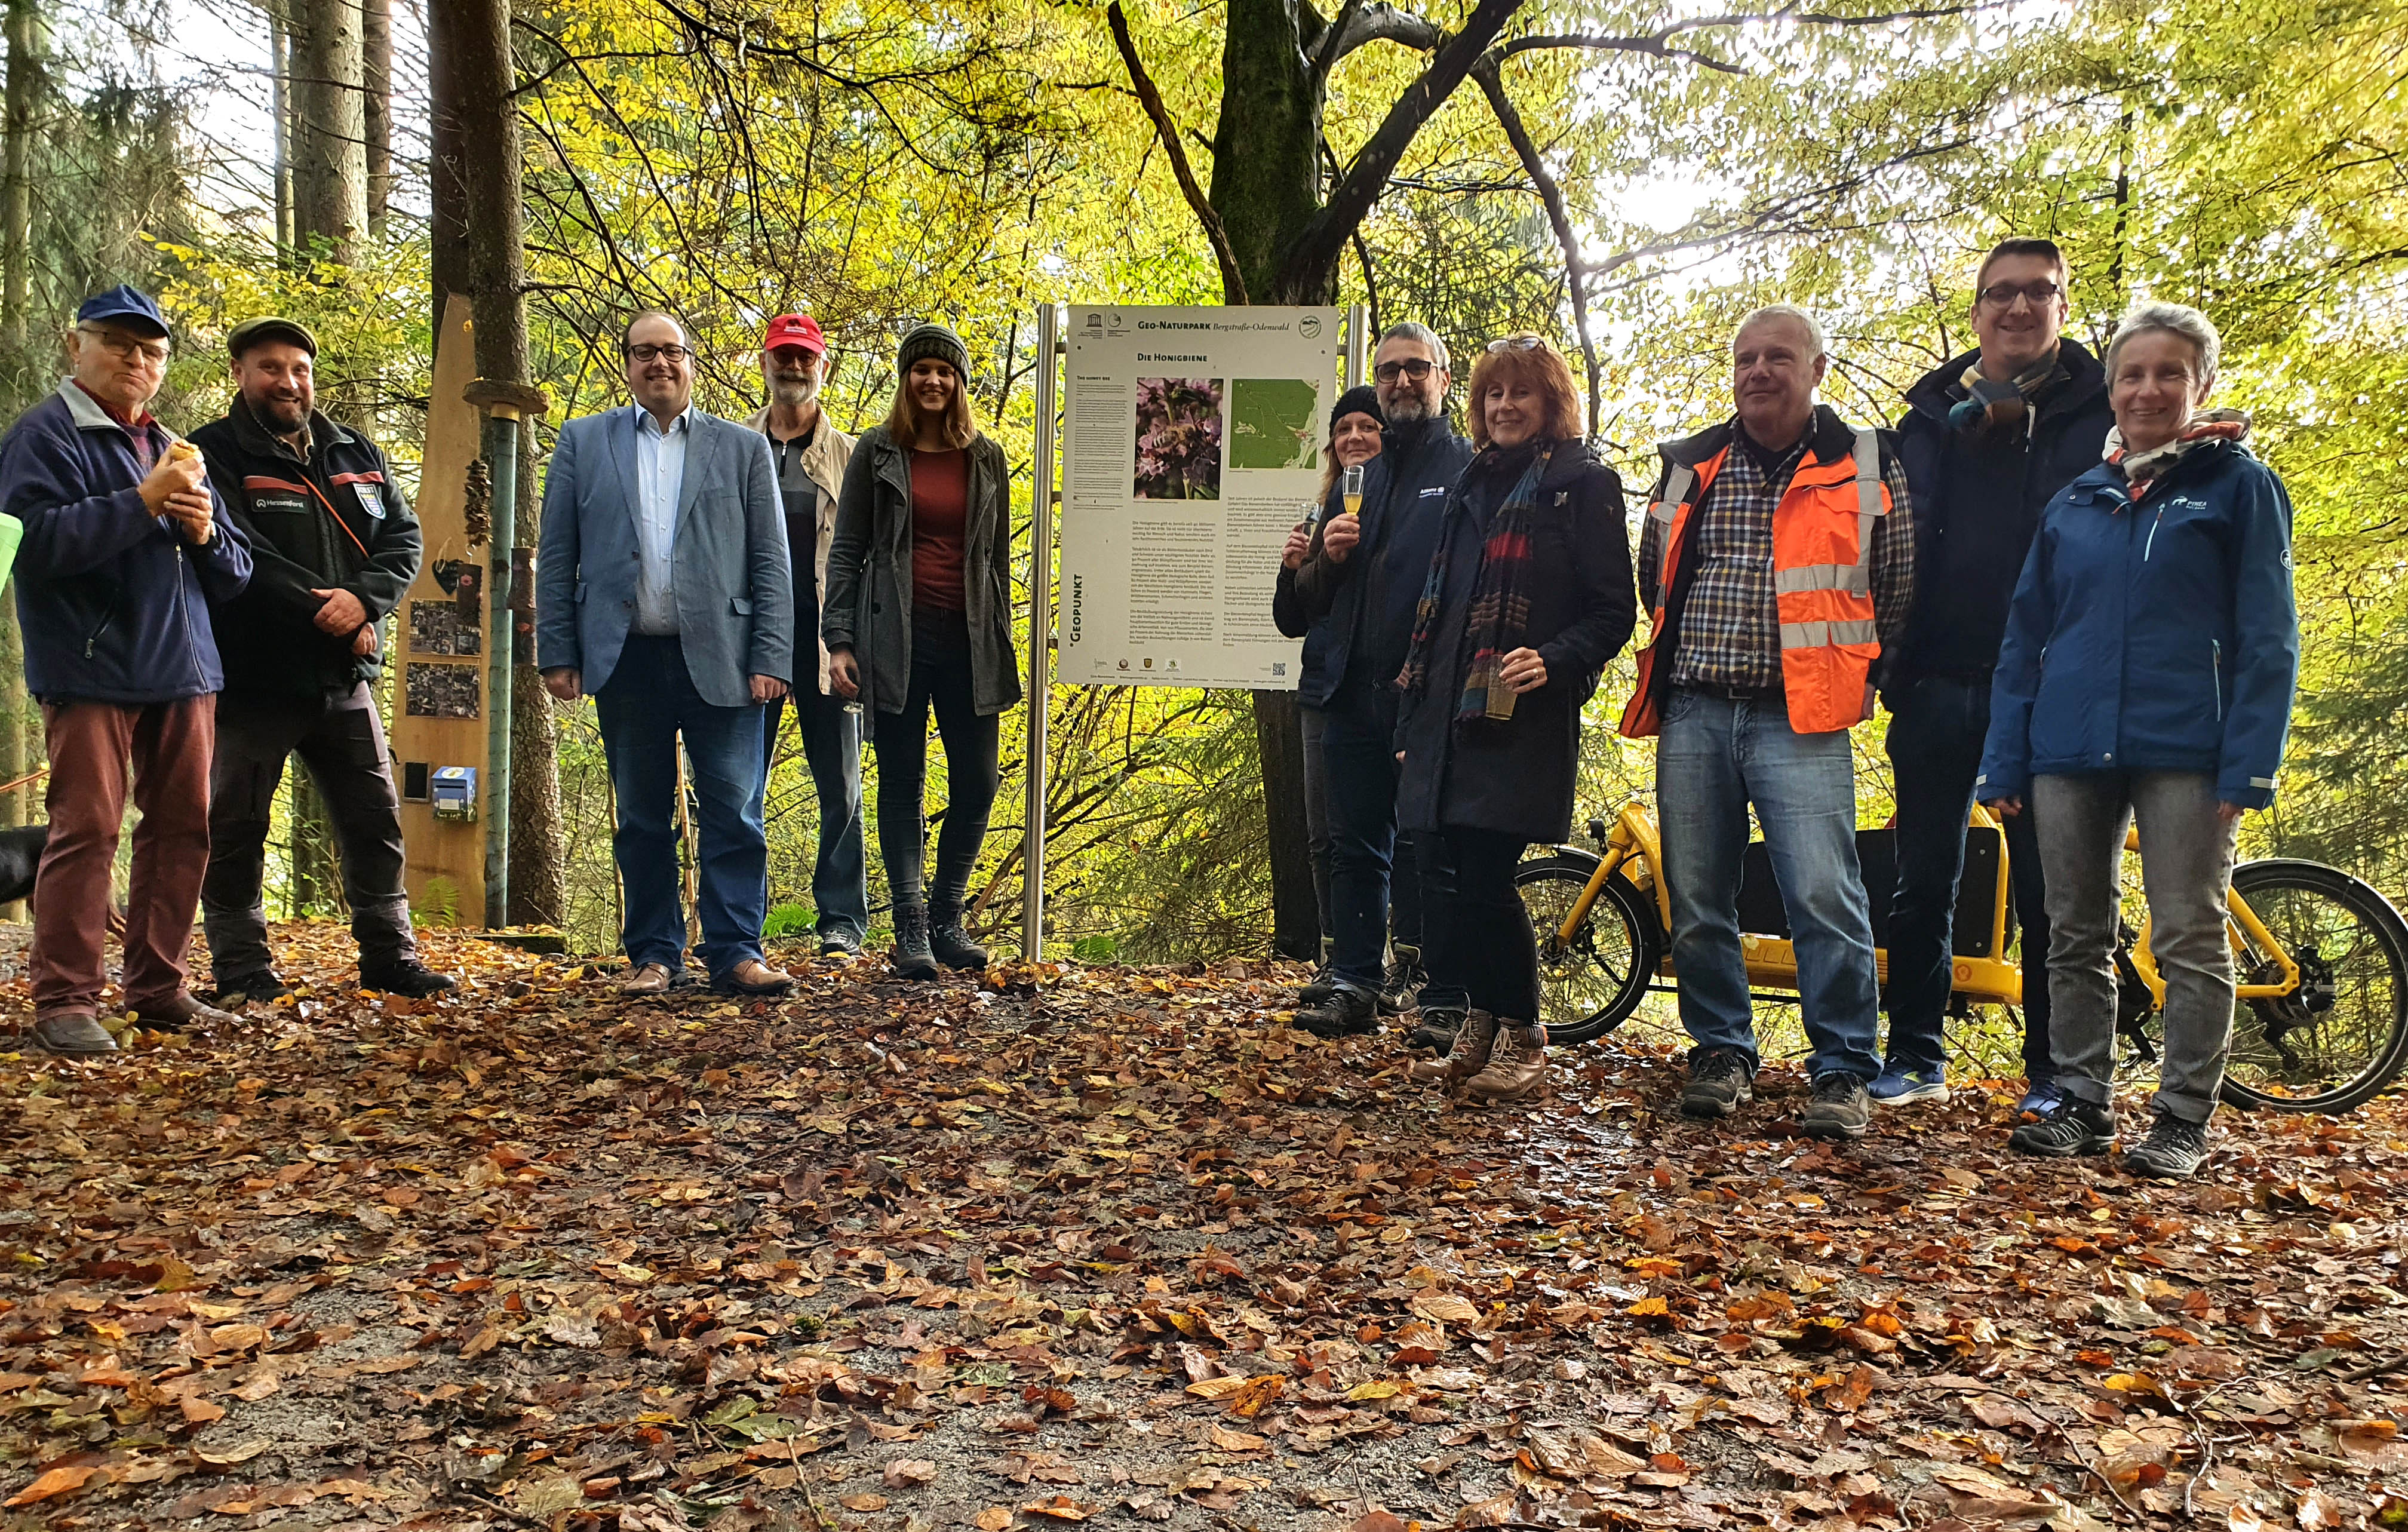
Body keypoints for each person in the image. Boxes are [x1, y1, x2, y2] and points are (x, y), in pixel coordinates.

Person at [1979, 300, 2298, 1180]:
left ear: (2201, 384)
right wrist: (2005, 756)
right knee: (2071, 930)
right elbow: (2024, 638)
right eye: (2133, 373)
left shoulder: (2239, 486)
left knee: (2188, 932)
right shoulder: (2076, 500)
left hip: (2189, 746)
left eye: (2169, 373)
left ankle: (2184, 1117)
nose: (2148, 389)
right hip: (2067, 745)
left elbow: (2270, 635)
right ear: (2112, 388)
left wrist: (2252, 759)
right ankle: (2080, 1101)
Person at [1626, 305, 1916, 1141]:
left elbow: (1894, 587)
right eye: (1747, 357)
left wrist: (1862, 677)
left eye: (1779, 357)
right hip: (1696, 708)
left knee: (1824, 891)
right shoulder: (1688, 464)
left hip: (1805, 714)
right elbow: (1659, 577)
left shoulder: (1864, 461)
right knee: (1699, 890)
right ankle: (1722, 1048)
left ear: (1817, 367)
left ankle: (1842, 1067)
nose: (1760, 370)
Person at [1877, 238, 2113, 1114]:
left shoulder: (2102, 412)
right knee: (1921, 880)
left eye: (2037, 294)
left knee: (2054, 890)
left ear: (2061, 305)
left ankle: (2052, 1073)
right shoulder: (1927, 417)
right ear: (1976, 312)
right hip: (1936, 677)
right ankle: (1913, 1056)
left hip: (2054, 691)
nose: (2018, 309)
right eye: (2001, 294)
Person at [0, 284, 254, 1056]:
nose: (136, 362)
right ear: (75, 348)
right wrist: (141, 502)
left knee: (183, 828)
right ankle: (65, 1001)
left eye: (152, 352)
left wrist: (208, 531)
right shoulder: (43, 436)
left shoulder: (174, 445)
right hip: (90, 667)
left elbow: (239, 571)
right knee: (89, 828)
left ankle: (159, 987)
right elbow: (32, 545)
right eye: (119, 344)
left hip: (186, 669)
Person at [1393, 336, 1636, 1101]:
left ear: (1551, 403)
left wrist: (1555, 658)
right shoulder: (1473, 481)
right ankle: (1484, 1025)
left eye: (1520, 395)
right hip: (1446, 713)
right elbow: (1445, 610)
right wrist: (1413, 722)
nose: (1504, 407)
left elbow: (1612, 611)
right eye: (1493, 395)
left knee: (1488, 879)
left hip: (1517, 717)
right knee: (1450, 880)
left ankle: (1525, 1039)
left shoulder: (1581, 484)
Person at [192, 316, 454, 1003]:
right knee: (236, 826)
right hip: (254, 681)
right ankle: (243, 972)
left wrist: (365, 603)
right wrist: (328, 614)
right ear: (240, 374)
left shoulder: (351, 449)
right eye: (271, 367)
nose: (288, 381)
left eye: (299, 368)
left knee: (376, 818)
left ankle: (390, 959)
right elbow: (241, 552)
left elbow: (403, 538)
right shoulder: (210, 454)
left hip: (344, 682)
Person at [535, 310, 797, 998]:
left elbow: (771, 560)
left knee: (736, 813)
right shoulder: (584, 442)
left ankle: (737, 950)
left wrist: (773, 654)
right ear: (626, 364)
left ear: (691, 361)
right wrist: (557, 650)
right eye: (644, 353)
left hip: (727, 660)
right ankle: (655, 955)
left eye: (672, 352)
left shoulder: (741, 449)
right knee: (642, 817)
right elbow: (557, 555)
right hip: (625, 660)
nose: (660, 364)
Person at [1286, 322, 1476, 1039]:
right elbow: (1305, 601)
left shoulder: (1463, 466)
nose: (1401, 382)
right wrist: (1325, 561)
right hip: (1345, 688)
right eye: (1390, 370)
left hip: (1423, 696)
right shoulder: (1359, 473)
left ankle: (1446, 995)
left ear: (1442, 379)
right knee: (1354, 843)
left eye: (1416, 370)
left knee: (1434, 847)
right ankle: (1355, 981)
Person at [823, 323, 1019, 981]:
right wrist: (839, 641)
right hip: (894, 640)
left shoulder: (986, 458)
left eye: (946, 372)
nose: (933, 381)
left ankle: (946, 916)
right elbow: (846, 550)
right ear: (906, 380)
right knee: (901, 782)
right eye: (921, 370)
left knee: (979, 783)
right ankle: (908, 925)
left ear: (960, 384)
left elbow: (996, 559)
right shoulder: (877, 452)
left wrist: (1001, 637)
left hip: (970, 640)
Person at [743, 312, 868, 957]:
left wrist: (860, 644)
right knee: (739, 787)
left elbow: (869, 557)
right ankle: (740, 923)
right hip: (751, 643)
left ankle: (842, 921)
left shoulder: (853, 457)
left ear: (824, 368)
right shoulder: (734, 448)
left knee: (841, 787)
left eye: (804, 358)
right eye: (782, 356)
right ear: (763, 363)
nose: (792, 367)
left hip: (828, 642)